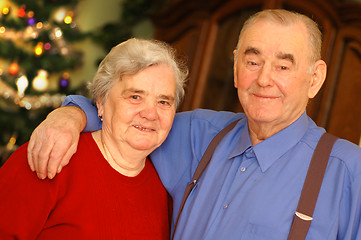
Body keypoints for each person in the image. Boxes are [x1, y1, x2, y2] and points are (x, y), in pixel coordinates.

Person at [27, 9, 361, 239]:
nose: (263, 79)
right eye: (252, 61)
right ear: (235, 67)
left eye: (283, 67)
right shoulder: (199, 134)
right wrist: (70, 114)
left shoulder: (347, 171)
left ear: (315, 78)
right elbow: (127, 114)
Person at [0, 38, 188, 239]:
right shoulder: (49, 156)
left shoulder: (166, 191)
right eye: (135, 96)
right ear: (101, 102)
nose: (151, 114)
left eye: (163, 101)